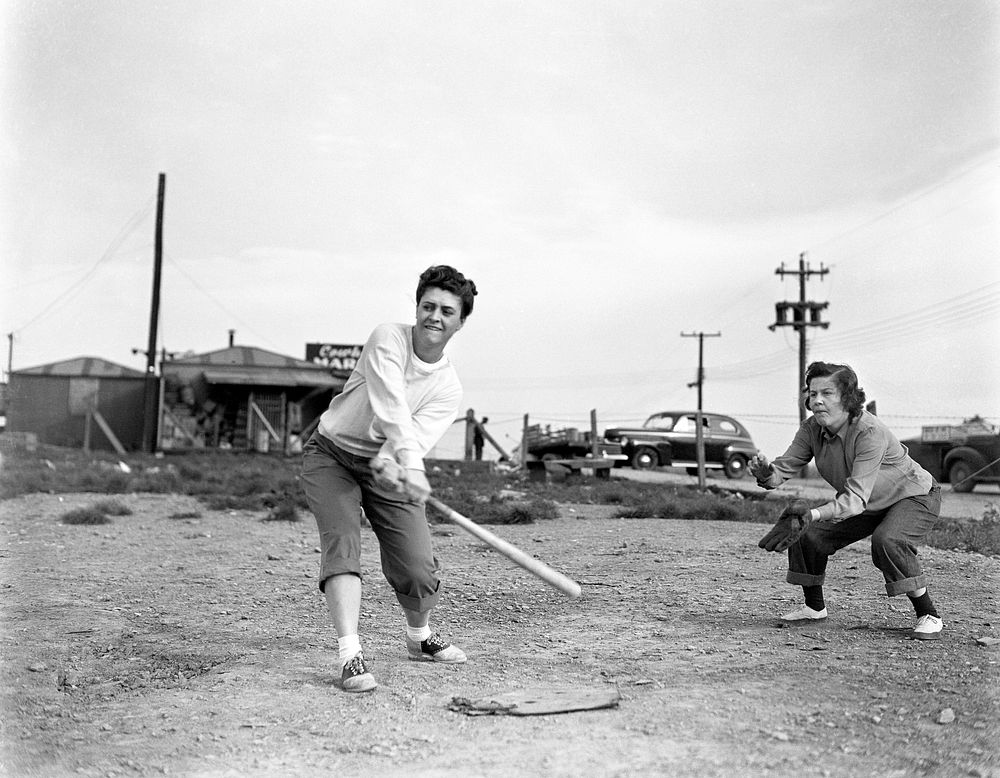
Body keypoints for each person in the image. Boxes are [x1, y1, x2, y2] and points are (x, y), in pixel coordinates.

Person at [300, 265, 478, 692]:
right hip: (332, 455)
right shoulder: (387, 338)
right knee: (343, 545)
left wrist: (393, 459)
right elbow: (390, 402)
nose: (435, 316)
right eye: (428, 306)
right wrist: (410, 465)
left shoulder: (448, 388)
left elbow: (413, 434)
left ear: (460, 321)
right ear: (417, 308)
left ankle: (419, 637)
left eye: (446, 311)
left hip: (386, 466)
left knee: (418, 566)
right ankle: (350, 655)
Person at [749, 361, 944, 640]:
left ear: (847, 398)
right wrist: (768, 474)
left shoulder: (869, 431)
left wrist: (812, 514)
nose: (816, 401)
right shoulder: (811, 429)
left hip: (913, 496)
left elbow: (853, 500)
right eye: (812, 393)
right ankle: (813, 608)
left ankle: (929, 614)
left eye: (826, 393)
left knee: (888, 540)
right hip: (867, 500)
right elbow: (783, 469)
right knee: (809, 534)